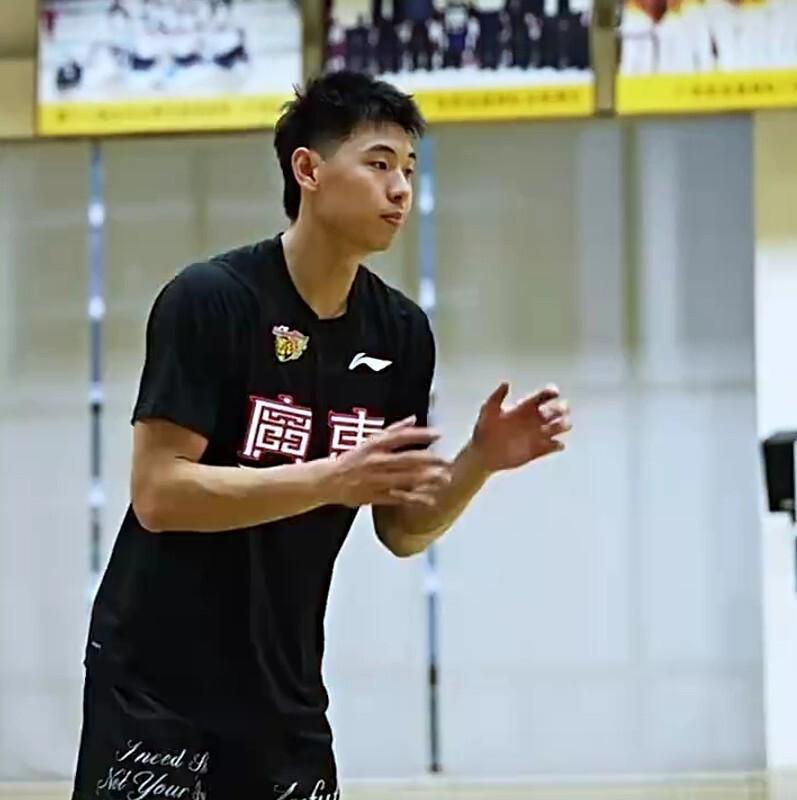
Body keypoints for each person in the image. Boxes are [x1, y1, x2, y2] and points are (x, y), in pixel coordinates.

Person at [70, 70, 572, 800]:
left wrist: (479, 461)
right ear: (307, 170)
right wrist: (330, 479)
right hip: (156, 682)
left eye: (408, 169)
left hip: (284, 687)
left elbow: (400, 529)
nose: (400, 189)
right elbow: (158, 493)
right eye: (378, 164)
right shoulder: (210, 300)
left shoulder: (400, 333)